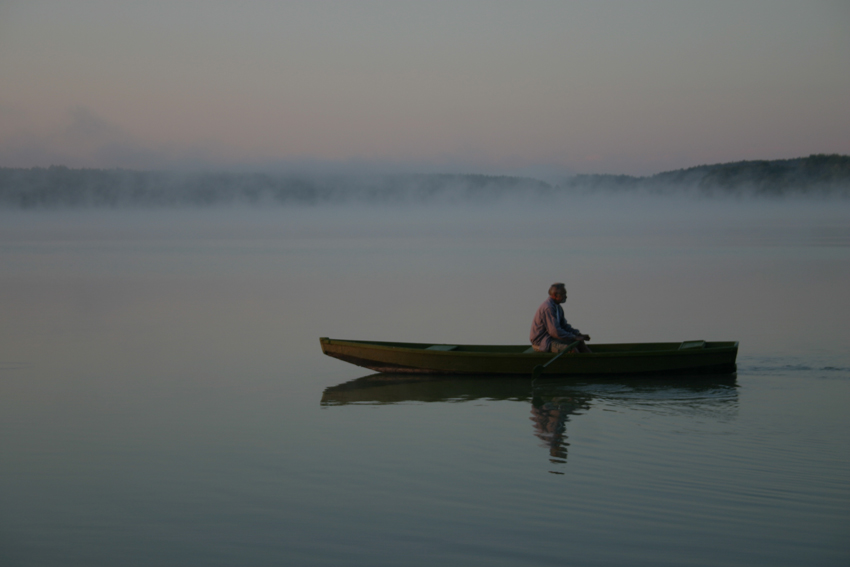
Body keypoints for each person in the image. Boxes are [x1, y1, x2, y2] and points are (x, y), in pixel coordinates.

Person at [530, 283, 592, 353]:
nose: (566, 296)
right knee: (572, 351)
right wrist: (573, 337)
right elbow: (554, 331)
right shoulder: (548, 308)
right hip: (543, 341)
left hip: (553, 338)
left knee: (580, 342)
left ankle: (593, 362)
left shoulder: (558, 307)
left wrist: (578, 334)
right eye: (563, 294)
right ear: (555, 295)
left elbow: (564, 326)